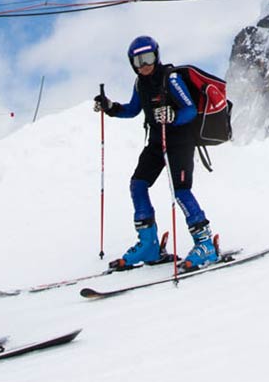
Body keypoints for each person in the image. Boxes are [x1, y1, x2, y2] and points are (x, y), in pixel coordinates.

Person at [94, 35, 221, 272]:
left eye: (148, 58)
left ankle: (205, 245)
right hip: (155, 141)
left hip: (180, 141)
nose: (144, 65)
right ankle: (148, 245)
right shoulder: (139, 84)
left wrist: (173, 116)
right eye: (138, 61)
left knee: (181, 192)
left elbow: (190, 110)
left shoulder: (170, 79)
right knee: (138, 184)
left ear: (157, 55)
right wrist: (110, 107)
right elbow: (132, 110)